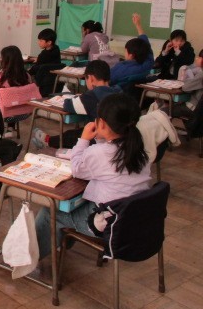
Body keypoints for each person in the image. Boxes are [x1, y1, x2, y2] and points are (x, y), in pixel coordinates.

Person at [35, 93, 151, 258]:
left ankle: (31, 259)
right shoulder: (138, 150)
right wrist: (101, 138)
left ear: (101, 123)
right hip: (133, 219)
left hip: (109, 223)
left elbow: (76, 168)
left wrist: (83, 139)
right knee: (73, 205)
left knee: (50, 213)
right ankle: (59, 243)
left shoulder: (100, 153)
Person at [31, 60, 121, 150]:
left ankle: (47, 141)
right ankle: (47, 140)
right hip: (118, 137)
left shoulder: (91, 96)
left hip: (99, 139)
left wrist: (80, 97)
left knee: (72, 136)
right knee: (80, 131)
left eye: (85, 79)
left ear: (91, 78)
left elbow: (68, 105)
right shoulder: (118, 91)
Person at [110, 13, 154, 87]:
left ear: (131, 55)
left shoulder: (121, 69)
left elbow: (105, 82)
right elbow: (146, 46)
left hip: (114, 92)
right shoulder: (147, 65)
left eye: (125, 51)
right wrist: (138, 25)